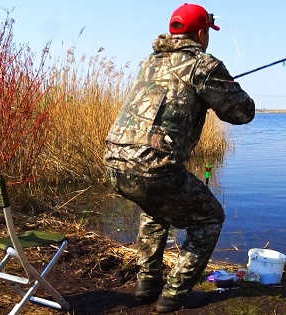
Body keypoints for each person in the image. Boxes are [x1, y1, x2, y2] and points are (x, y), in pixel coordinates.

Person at [103, 3, 255, 313]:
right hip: (154, 166)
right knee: (210, 218)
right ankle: (173, 295)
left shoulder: (150, 62)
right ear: (201, 33)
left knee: (155, 207)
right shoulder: (203, 65)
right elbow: (242, 113)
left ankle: (146, 285)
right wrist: (226, 87)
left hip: (114, 161)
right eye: (207, 34)